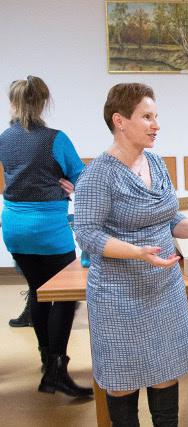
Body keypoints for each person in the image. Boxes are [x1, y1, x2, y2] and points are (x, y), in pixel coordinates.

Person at [74, 83, 188, 426]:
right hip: (118, 295)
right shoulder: (98, 174)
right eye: (147, 117)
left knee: (165, 373)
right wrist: (137, 253)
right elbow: (87, 233)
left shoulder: (156, 163)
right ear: (119, 121)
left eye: (156, 117)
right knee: (122, 381)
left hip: (163, 288)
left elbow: (167, 217)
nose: (156, 125)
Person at [0, 75, 92, 397]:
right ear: (43, 103)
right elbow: (83, 178)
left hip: (15, 228)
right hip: (49, 230)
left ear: (13, 103)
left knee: (38, 292)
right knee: (64, 298)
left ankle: (46, 361)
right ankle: (56, 371)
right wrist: (70, 184)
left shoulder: (4, 139)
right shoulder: (55, 139)